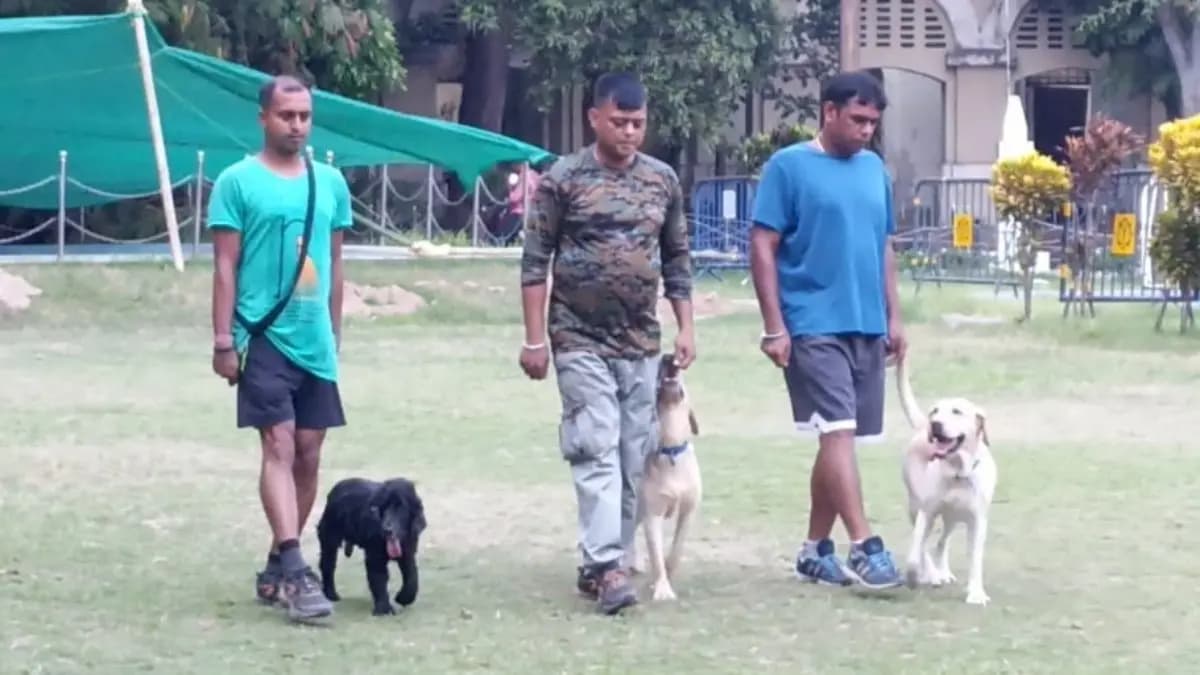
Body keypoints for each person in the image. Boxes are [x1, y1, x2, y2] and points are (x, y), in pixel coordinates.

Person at [518, 71, 696, 615]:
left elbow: (677, 260)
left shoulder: (661, 180)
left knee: (630, 455)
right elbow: (534, 262)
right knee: (595, 444)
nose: (629, 133)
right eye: (618, 122)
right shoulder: (562, 179)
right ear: (593, 117)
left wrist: (686, 325)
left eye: (638, 123)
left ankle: (606, 560)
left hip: (640, 342)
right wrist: (534, 341)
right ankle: (607, 564)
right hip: (577, 338)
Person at [748, 70, 907, 590]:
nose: (865, 130)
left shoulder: (874, 171)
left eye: (873, 122)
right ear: (829, 112)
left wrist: (894, 317)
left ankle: (815, 549)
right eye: (857, 119)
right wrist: (775, 326)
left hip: (866, 322)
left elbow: (884, 245)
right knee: (837, 431)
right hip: (812, 322)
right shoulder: (788, 168)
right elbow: (763, 245)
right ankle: (864, 546)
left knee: (837, 438)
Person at [208, 74, 353, 623]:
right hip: (262, 335)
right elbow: (225, 264)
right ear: (263, 118)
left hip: (315, 340)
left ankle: (275, 561)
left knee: (311, 450)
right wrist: (224, 340)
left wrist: (335, 333)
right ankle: (295, 569)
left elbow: (337, 262)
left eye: (304, 116)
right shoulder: (236, 182)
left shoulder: (332, 182)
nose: (297, 125)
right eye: (286, 115)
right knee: (280, 445)